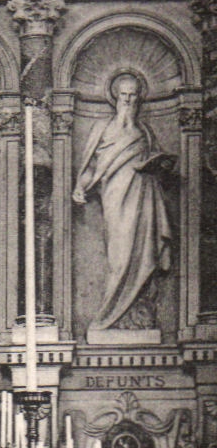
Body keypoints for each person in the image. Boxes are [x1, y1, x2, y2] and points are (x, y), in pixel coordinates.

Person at [72, 70, 173, 332]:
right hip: (115, 196)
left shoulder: (145, 130)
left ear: (139, 98)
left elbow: (155, 162)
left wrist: (158, 166)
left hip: (143, 197)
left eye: (133, 95)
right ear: (115, 97)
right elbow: (92, 167)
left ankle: (132, 312)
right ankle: (110, 312)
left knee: (141, 252)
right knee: (119, 254)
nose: (128, 100)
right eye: (124, 95)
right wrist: (80, 188)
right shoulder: (102, 128)